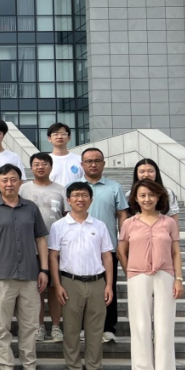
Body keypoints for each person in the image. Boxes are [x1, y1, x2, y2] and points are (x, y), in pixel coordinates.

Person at [0, 164, 52, 370]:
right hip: (2, 276)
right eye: (4, 180)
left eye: (13, 179)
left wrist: (44, 269)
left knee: (30, 327)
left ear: (20, 182)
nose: (9, 184)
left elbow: (41, 239)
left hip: (30, 275)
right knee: (2, 327)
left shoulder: (31, 208)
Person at [119, 179, 184, 370]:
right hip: (138, 276)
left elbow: (176, 252)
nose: (147, 199)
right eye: (142, 195)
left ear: (158, 197)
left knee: (164, 327)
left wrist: (178, 279)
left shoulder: (168, 223)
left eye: (151, 195)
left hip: (165, 275)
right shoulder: (129, 223)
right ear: (136, 199)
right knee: (140, 326)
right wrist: (131, 271)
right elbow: (121, 250)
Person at [47, 182, 114, 370]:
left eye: (84, 195)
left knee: (95, 330)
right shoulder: (59, 226)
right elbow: (53, 256)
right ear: (68, 200)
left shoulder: (99, 226)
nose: (80, 199)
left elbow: (107, 256)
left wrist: (109, 284)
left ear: (91, 200)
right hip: (70, 282)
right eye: (75, 195)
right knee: (71, 329)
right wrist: (57, 285)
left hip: (96, 282)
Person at [81, 147, 130, 343]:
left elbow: (122, 215)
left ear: (103, 163)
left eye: (97, 161)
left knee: (108, 287)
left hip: (107, 249)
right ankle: (84, 327)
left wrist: (122, 242)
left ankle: (108, 328)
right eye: (89, 161)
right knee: (82, 289)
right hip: (80, 249)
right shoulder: (74, 187)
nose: (93, 164)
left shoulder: (114, 187)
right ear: (82, 165)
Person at [19, 152, 68, 344]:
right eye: (37, 164)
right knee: (36, 289)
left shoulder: (60, 189)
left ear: (51, 167)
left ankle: (55, 327)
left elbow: (67, 217)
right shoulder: (23, 189)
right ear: (31, 168)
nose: (40, 167)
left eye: (45, 164)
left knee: (55, 287)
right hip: (30, 247)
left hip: (55, 247)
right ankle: (38, 326)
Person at [127, 159, 180, 223]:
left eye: (150, 171)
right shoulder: (129, 195)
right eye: (142, 172)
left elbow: (174, 221)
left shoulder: (168, 193)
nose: (146, 175)